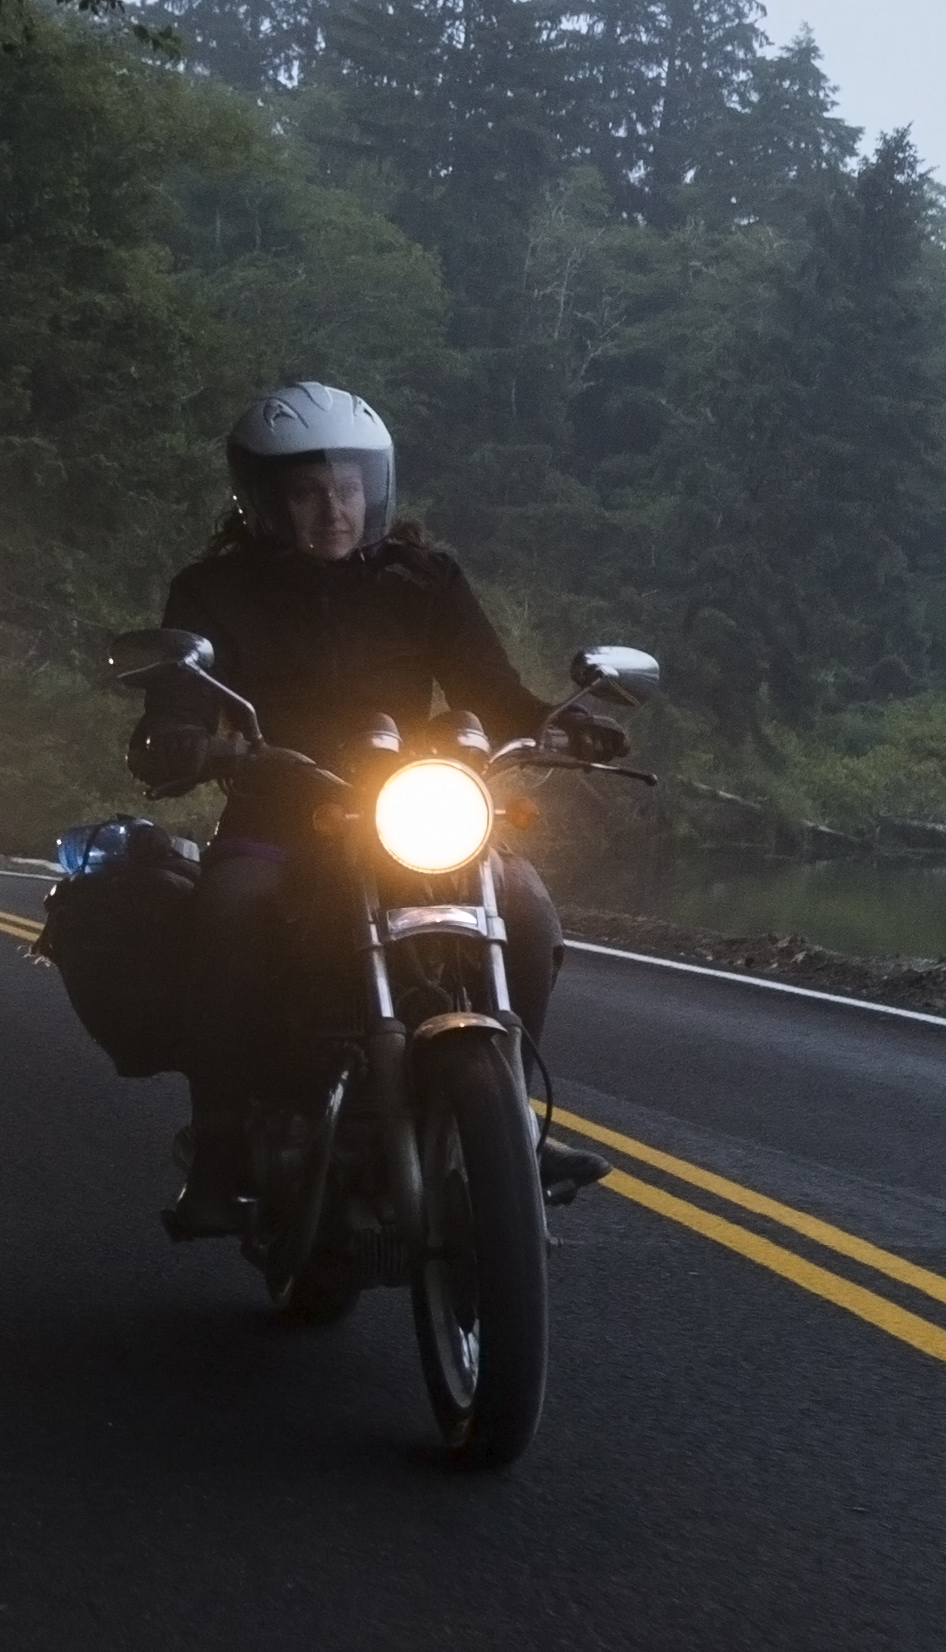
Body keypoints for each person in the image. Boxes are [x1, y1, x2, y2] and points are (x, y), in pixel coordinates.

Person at [129, 383, 601, 1238]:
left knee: (525, 905)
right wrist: (181, 739)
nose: (333, 509)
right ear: (264, 498)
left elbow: (491, 690)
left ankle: (512, 1122)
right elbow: (178, 700)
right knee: (228, 912)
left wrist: (563, 725)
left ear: (374, 487)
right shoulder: (215, 590)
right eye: (307, 491)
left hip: (411, 807)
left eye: (348, 487)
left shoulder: (424, 579)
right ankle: (222, 1145)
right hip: (280, 814)